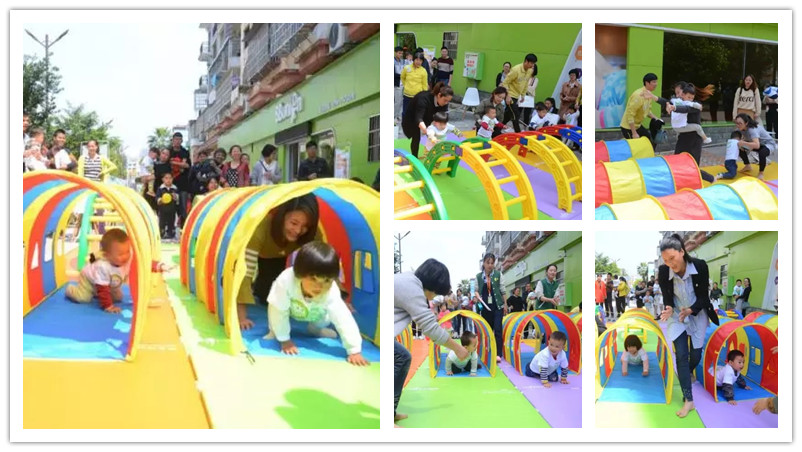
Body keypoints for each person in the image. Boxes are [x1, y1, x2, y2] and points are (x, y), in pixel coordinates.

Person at [262, 241, 368, 366]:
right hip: (291, 306)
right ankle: (275, 331)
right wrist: (284, 340)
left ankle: (315, 329)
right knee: (276, 308)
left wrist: (354, 350)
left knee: (327, 315)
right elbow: (278, 310)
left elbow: (343, 318)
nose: (319, 286)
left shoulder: (331, 291)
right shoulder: (286, 281)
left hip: (315, 310)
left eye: (327, 280)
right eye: (313, 279)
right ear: (300, 274)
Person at [394, 258, 469, 426]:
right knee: (400, 358)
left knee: (402, 357)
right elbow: (429, 327)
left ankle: (390, 410)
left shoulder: (410, 281)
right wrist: (457, 348)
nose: (434, 297)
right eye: (435, 293)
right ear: (431, 286)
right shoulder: (413, 289)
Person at [658, 233, 719, 418]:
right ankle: (689, 400)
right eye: (666, 260)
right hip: (677, 316)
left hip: (697, 313)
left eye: (672, 258)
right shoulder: (663, 271)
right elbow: (667, 297)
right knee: (681, 356)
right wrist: (669, 308)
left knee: (695, 355)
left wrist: (691, 310)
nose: (670, 263)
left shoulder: (699, 266)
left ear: (682, 252)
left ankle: (688, 371)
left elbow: (703, 297)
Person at [237, 194, 320, 329]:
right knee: (262, 291)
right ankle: (253, 289)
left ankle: (260, 288)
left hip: (279, 256)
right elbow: (244, 272)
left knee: (272, 296)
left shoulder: (312, 234)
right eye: (294, 223)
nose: (298, 230)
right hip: (262, 252)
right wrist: (242, 317)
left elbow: (325, 263)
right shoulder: (261, 228)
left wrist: (340, 296)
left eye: (305, 226)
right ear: (282, 216)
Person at [64, 228, 170, 313]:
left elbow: (144, 263)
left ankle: (96, 293)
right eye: (120, 254)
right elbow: (102, 288)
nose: (125, 256)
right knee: (84, 298)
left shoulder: (129, 258)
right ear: (107, 255)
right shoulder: (103, 266)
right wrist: (108, 306)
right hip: (89, 279)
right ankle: (70, 290)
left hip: (109, 282)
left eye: (127, 251)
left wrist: (160, 266)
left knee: (118, 298)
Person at [401, 82, 453, 158]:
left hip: (428, 116)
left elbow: (443, 118)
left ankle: (433, 155)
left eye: (448, 101)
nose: (446, 103)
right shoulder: (423, 99)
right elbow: (418, 118)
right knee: (416, 136)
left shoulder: (444, 103)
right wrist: (428, 133)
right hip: (413, 116)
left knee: (436, 134)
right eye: (445, 100)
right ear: (439, 95)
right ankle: (414, 157)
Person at [620, 73, 665, 148]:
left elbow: (647, 111)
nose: (656, 84)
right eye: (653, 82)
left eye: (656, 82)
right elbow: (630, 115)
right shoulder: (638, 95)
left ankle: (649, 155)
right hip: (628, 127)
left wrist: (656, 119)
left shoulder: (649, 95)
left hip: (638, 126)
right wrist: (634, 133)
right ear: (647, 83)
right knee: (635, 148)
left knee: (650, 141)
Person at [475, 253, 505, 362]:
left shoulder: (498, 274)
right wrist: (477, 296)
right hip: (485, 308)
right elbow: (476, 291)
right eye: (488, 263)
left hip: (497, 307)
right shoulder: (479, 276)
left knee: (498, 330)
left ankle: (498, 354)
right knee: (486, 331)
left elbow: (503, 291)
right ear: (483, 263)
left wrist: (505, 305)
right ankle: (486, 351)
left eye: (492, 263)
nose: (490, 265)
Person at [500, 53, 537, 133]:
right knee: (515, 115)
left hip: (517, 96)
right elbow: (505, 83)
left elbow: (525, 83)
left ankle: (496, 129)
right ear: (526, 61)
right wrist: (508, 96)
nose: (532, 65)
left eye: (533, 63)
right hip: (510, 95)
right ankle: (519, 134)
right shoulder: (516, 70)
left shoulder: (530, 70)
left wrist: (523, 95)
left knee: (507, 116)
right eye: (531, 63)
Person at [734, 113, 777, 181]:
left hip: (768, 144)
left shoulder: (752, 130)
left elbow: (757, 145)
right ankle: (748, 166)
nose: (738, 125)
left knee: (762, 153)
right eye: (737, 123)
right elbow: (735, 140)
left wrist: (744, 143)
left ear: (746, 123)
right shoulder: (739, 129)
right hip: (757, 144)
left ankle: (761, 173)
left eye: (740, 123)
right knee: (739, 147)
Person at [168, 132, 191, 228]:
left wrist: (173, 162)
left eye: (179, 139)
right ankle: (170, 228)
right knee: (170, 207)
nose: (177, 141)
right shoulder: (168, 151)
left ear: (182, 141)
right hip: (170, 184)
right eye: (176, 139)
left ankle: (184, 227)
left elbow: (187, 166)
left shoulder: (185, 152)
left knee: (183, 208)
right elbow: (166, 164)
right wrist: (181, 164)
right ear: (172, 140)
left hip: (183, 184)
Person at [400, 52, 429, 119]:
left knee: (416, 113)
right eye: (417, 59)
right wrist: (406, 85)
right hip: (407, 95)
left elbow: (424, 84)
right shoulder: (407, 68)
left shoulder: (423, 71)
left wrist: (424, 96)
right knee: (405, 112)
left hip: (418, 96)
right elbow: (402, 77)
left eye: (420, 60)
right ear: (413, 59)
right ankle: (405, 123)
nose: (418, 62)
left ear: (422, 61)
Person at [156, 172, 181, 241]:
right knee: (162, 222)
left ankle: (171, 233)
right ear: (163, 179)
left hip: (172, 209)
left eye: (170, 178)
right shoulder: (161, 188)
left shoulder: (174, 188)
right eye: (166, 178)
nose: (168, 180)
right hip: (163, 209)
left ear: (172, 179)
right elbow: (157, 197)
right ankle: (162, 233)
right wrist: (160, 200)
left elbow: (178, 198)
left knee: (171, 221)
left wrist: (175, 196)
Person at [394, 46, 406, 122]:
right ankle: (394, 116)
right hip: (397, 84)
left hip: (403, 84)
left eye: (402, 53)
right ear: (395, 53)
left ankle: (399, 115)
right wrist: (402, 75)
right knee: (397, 101)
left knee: (401, 101)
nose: (401, 55)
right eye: (399, 53)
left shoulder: (403, 61)